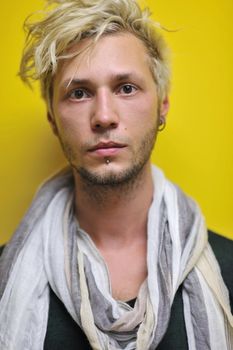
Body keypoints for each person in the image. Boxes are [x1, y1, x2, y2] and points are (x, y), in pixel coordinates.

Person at [0, 0, 232, 349]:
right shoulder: (6, 278)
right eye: (79, 93)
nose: (104, 116)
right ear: (52, 117)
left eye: (126, 88)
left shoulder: (228, 270)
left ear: (161, 105)